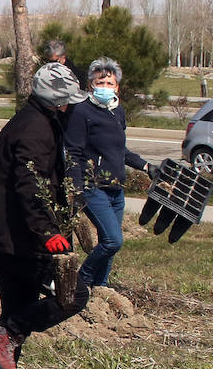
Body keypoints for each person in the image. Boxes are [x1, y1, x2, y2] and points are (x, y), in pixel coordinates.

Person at [0, 62, 91, 369]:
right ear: (54, 100)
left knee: (17, 307)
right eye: (67, 101)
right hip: (19, 239)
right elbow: (31, 188)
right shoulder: (35, 130)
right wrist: (48, 232)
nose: (71, 107)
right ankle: (5, 336)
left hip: (7, 237)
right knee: (75, 294)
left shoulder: (36, 120)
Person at [65, 56, 155, 289]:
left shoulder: (118, 112)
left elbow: (119, 150)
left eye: (110, 84)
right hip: (93, 187)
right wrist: (75, 190)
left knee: (110, 245)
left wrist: (146, 166)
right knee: (113, 240)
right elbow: (73, 152)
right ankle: (81, 281)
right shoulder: (81, 111)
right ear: (90, 86)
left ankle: (101, 288)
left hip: (116, 188)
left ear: (117, 87)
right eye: (99, 83)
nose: (105, 88)